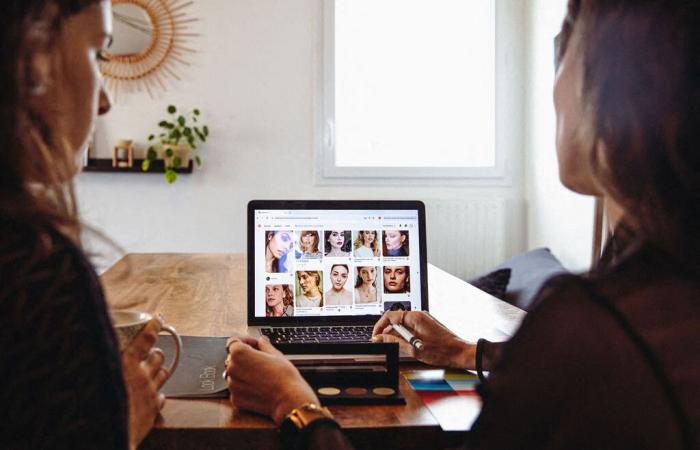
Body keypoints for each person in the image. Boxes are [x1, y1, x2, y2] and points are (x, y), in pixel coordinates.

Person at [223, 1, 700, 448]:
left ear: (619, 82)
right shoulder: (665, 294)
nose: (554, 90)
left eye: (565, 49)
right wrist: (460, 351)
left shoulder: (588, 327)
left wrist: (293, 402)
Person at [1, 1, 168, 448]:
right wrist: (121, 418)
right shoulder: (35, 273)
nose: (105, 100)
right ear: (33, 56)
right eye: (98, 53)